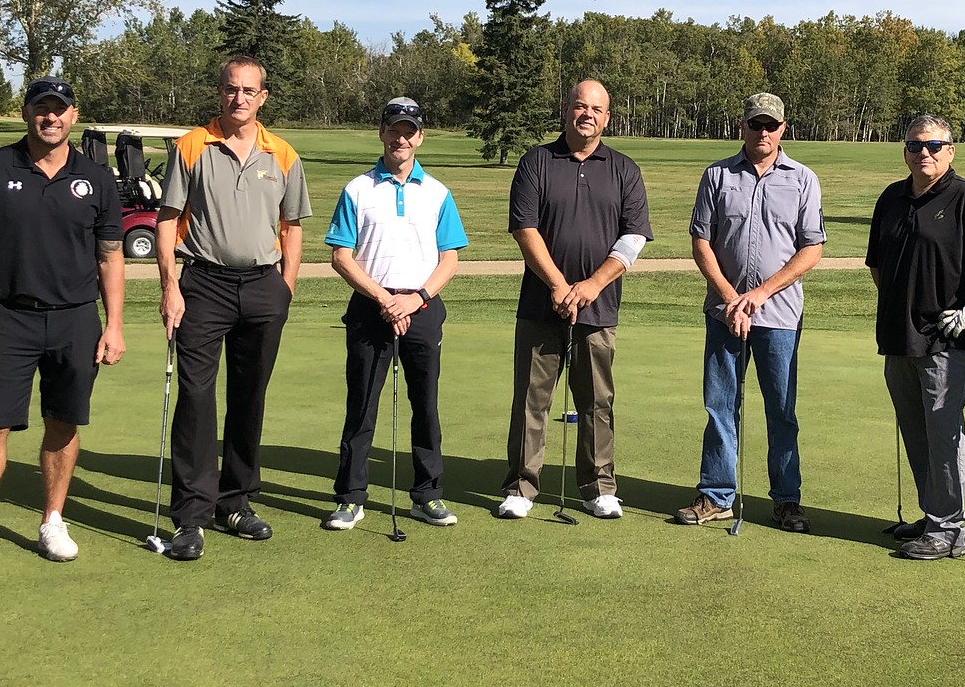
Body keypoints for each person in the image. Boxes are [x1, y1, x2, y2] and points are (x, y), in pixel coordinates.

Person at [0, 75, 125, 577]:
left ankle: (52, 521)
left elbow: (110, 258)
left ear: (74, 116)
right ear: (26, 112)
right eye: (42, 107)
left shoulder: (98, 179)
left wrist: (115, 323)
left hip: (76, 318)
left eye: (60, 109)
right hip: (9, 317)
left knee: (63, 423)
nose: (51, 117)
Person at [155, 55, 312, 562]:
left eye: (249, 91)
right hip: (202, 283)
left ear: (262, 97)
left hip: (263, 287)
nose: (238, 98)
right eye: (230, 89)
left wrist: (284, 288)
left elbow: (292, 227)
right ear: (219, 92)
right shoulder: (191, 146)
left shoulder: (283, 154)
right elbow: (167, 220)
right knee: (196, 397)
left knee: (250, 396)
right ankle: (192, 517)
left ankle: (236, 502)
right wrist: (170, 286)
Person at [865, 115, 965, 561]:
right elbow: (877, 262)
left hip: (947, 339)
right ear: (905, 151)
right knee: (915, 430)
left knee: (943, 432)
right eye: (916, 146)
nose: (924, 154)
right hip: (898, 335)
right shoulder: (892, 198)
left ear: (950, 150)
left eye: (934, 146)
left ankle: (950, 529)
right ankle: (934, 515)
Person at [496, 78, 651, 520]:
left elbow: (634, 236)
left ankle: (599, 486)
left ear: (607, 117)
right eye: (579, 106)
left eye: (596, 109)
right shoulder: (536, 162)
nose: (587, 114)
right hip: (540, 306)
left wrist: (590, 286)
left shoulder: (624, 169)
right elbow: (525, 229)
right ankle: (522, 487)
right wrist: (560, 286)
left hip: (599, 309)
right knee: (531, 399)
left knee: (596, 401)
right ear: (566, 110)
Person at [675, 91, 826, 532]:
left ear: (783, 128)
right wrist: (729, 298)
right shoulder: (718, 175)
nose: (763, 132)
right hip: (723, 314)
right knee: (721, 405)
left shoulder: (802, 179)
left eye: (771, 125)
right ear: (742, 125)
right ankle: (717, 495)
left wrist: (757, 295)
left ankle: (786, 500)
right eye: (756, 124)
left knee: (781, 410)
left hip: (779, 316)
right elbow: (701, 242)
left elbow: (811, 249)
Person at [321, 97, 469, 530]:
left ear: (420, 137)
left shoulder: (438, 193)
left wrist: (416, 298)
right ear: (381, 133)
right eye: (393, 130)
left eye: (409, 131)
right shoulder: (358, 189)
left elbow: (449, 260)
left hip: (422, 308)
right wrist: (385, 299)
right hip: (371, 308)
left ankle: (428, 494)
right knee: (362, 406)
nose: (400, 138)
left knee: (425, 405)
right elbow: (341, 257)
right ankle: (351, 497)